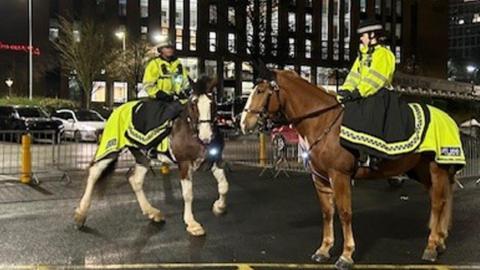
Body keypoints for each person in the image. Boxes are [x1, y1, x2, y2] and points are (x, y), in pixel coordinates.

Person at [337, 19, 424, 169]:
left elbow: (376, 79)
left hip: (379, 93)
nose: (361, 38)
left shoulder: (383, 54)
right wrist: (346, 91)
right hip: (364, 92)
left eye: (363, 35)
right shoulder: (362, 56)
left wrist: (358, 92)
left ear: (372, 35)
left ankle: (375, 154)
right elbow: (354, 76)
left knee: (371, 111)